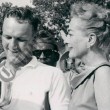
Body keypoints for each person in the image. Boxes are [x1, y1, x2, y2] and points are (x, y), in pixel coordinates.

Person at [0, 7, 70, 110]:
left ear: (33, 39)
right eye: (8, 37)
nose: (12, 45)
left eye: (20, 39)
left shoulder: (53, 76)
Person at [63, 2, 110, 110]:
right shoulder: (90, 75)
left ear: (90, 39)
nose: (66, 40)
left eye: (70, 34)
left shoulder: (103, 73)